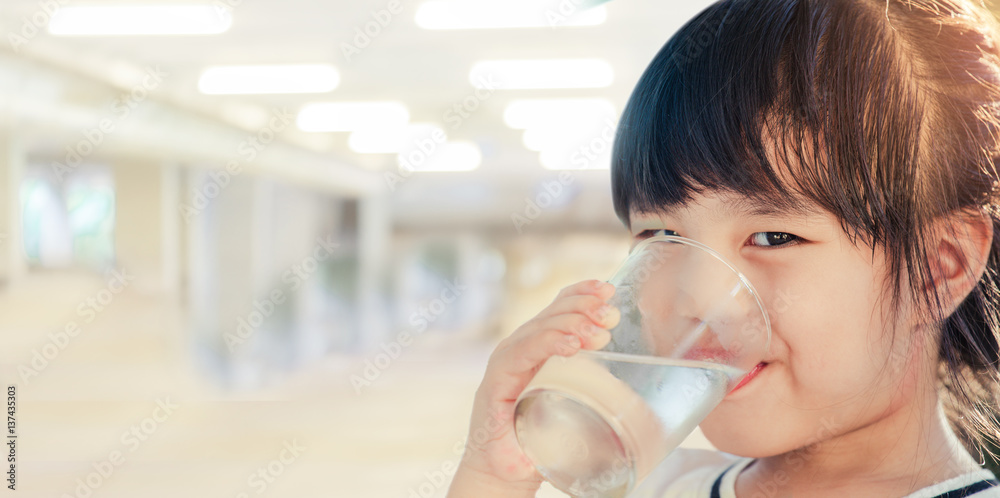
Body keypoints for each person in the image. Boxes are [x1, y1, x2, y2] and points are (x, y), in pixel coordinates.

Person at [447, 0, 1000, 496]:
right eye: (663, 237)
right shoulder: (652, 483)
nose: (694, 297)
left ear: (937, 269)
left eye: (773, 237)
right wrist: (495, 475)